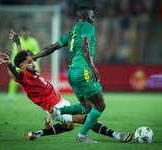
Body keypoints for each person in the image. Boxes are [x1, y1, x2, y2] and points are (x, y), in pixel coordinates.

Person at [0, 29, 133, 143]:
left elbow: (21, 55)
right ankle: (117, 136)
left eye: (32, 61)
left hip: (60, 102)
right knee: (86, 117)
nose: (33, 63)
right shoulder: (24, 76)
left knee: (70, 126)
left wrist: (17, 41)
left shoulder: (31, 70)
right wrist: (9, 63)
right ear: (22, 66)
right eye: (30, 62)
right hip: (54, 107)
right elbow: (15, 71)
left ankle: (38, 133)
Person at [30, 6, 133, 143]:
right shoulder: (87, 27)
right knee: (100, 105)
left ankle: (58, 112)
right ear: (85, 16)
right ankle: (82, 135)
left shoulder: (72, 33)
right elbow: (85, 45)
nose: (93, 19)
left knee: (87, 107)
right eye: (91, 15)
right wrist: (92, 67)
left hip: (71, 72)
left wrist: (35, 56)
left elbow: (52, 47)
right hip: (83, 71)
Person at [6, 27, 41, 101]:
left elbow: (37, 53)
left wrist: (35, 64)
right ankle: (11, 95)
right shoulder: (18, 41)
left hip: (29, 64)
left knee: (34, 79)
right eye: (23, 32)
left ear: (28, 32)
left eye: (26, 32)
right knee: (14, 78)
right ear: (21, 33)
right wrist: (11, 64)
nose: (25, 34)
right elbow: (14, 54)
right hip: (19, 64)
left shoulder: (33, 41)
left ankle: (37, 95)